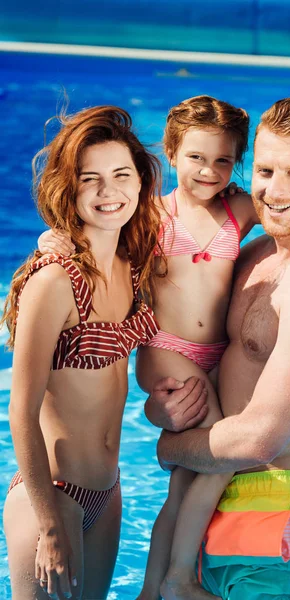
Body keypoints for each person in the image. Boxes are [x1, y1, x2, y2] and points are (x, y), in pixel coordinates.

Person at [38, 96, 290, 600]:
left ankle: (150, 589)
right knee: (220, 459)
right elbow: (92, 231)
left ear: (237, 161)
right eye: (197, 158)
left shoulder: (238, 209)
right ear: (169, 152)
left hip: (211, 354)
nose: (209, 171)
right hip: (167, 349)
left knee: (185, 484)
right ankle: (179, 577)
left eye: (224, 160)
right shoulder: (151, 215)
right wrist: (52, 240)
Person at [146, 97, 290, 600]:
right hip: (208, 500)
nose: (275, 190)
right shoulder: (255, 256)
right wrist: (168, 405)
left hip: (272, 521)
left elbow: (259, 440)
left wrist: (169, 447)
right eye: (267, 169)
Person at [1, 105, 163, 600]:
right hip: (52, 496)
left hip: (106, 494)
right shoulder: (55, 280)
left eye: (120, 175)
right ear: (69, 189)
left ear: (141, 183)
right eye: (89, 179)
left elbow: (214, 208)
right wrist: (50, 527)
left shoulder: (135, 265)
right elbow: (20, 412)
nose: (108, 191)